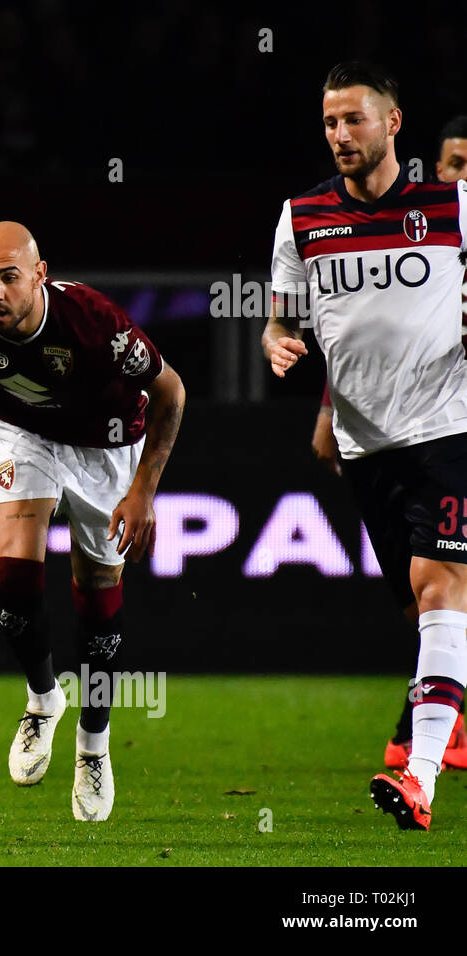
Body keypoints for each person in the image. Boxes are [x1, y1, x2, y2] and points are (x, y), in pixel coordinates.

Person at [265, 62, 467, 831]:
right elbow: (283, 319)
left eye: (355, 119)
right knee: (424, 609)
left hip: (450, 430)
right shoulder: (302, 217)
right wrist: (278, 343)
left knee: (440, 585)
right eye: (329, 123)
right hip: (364, 445)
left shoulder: (452, 206)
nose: (341, 135)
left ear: (394, 123)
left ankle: (419, 778)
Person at [0, 221, 185, 821]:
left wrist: (143, 492)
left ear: (39, 276)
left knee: (98, 593)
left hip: (106, 447)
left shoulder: (96, 324)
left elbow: (172, 393)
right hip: (21, 434)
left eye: (8, 278)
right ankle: (43, 697)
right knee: (13, 579)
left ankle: (93, 744)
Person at [308, 113, 467, 774]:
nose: (466, 175)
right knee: (429, 596)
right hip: (410, 434)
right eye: (458, 163)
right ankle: (426, 727)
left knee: (443, 588)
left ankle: (419, 745)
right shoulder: (424, 237)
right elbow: (365, 333)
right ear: (438, 170)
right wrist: (329, 408)